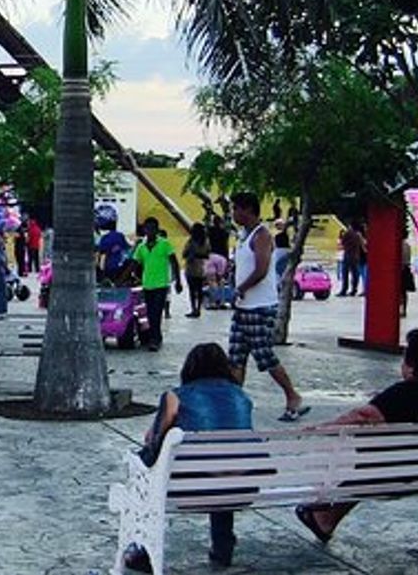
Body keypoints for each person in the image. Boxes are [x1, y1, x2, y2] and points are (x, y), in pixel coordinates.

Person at [294, 328, 418, 543]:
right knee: (376, 454)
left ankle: (323, 514)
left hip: (385, 478)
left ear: (411, 365)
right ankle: (324, 517)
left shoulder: (402, 393)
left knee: (366, 455)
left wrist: (321, 427)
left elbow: (362, 415)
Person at [125, 343, 254, 571]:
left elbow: (153, 441)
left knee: (144, 470)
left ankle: (142, 551)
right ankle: (222, 547)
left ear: (189, 368)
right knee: (224, 466)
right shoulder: (241, 396)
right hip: (243, 487)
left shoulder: (176, 397)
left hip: (190, 489)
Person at [229, 192, 308, 422]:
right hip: (244, 308)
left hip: (259, 307)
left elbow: (262, 269)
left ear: (248, 210)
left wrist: (241, 288)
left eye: (236, 209)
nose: (233, 213)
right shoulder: (243, 236)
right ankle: (235, 402)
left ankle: (292, 395)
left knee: (264, 356)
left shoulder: (261, 235)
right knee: (235, 357)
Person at [133, 217, 182, 351]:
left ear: (157, 230)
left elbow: (174, 262)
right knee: (150, 313)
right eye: (147, 228)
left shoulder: (165, 244)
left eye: (152, 228)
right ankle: (156, 337)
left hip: (161, 285)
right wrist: (121, 279)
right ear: (144, 230)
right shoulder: (141, 247)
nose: (150, 231)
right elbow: (134, 264)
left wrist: (178, 281)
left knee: (156, 313)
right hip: (147, 285)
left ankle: (154, 340)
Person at [182, 223, 211, 318]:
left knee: (191, 290)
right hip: (201, 268)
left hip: (191, 267)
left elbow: (184, 254)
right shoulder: (205, 241)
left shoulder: (191, 241)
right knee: (199, 290)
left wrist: (192, 254)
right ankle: (198, 309)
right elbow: (208, 254)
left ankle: (193, 308)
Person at [97, 217, 130, 283]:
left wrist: (101, 272)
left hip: (109, 269)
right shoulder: (120, 236)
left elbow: (102, 256)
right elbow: (127, 248)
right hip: (119, 268)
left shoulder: (105, 238)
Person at [340, 220, 366, 297]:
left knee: (345, 273)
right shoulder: (358, 235)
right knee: (355, 274)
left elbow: (343, 243)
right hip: (356, 256)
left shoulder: (347, 233)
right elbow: (363, 246)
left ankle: (344, 290)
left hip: (347, 255)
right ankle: (354, 290)